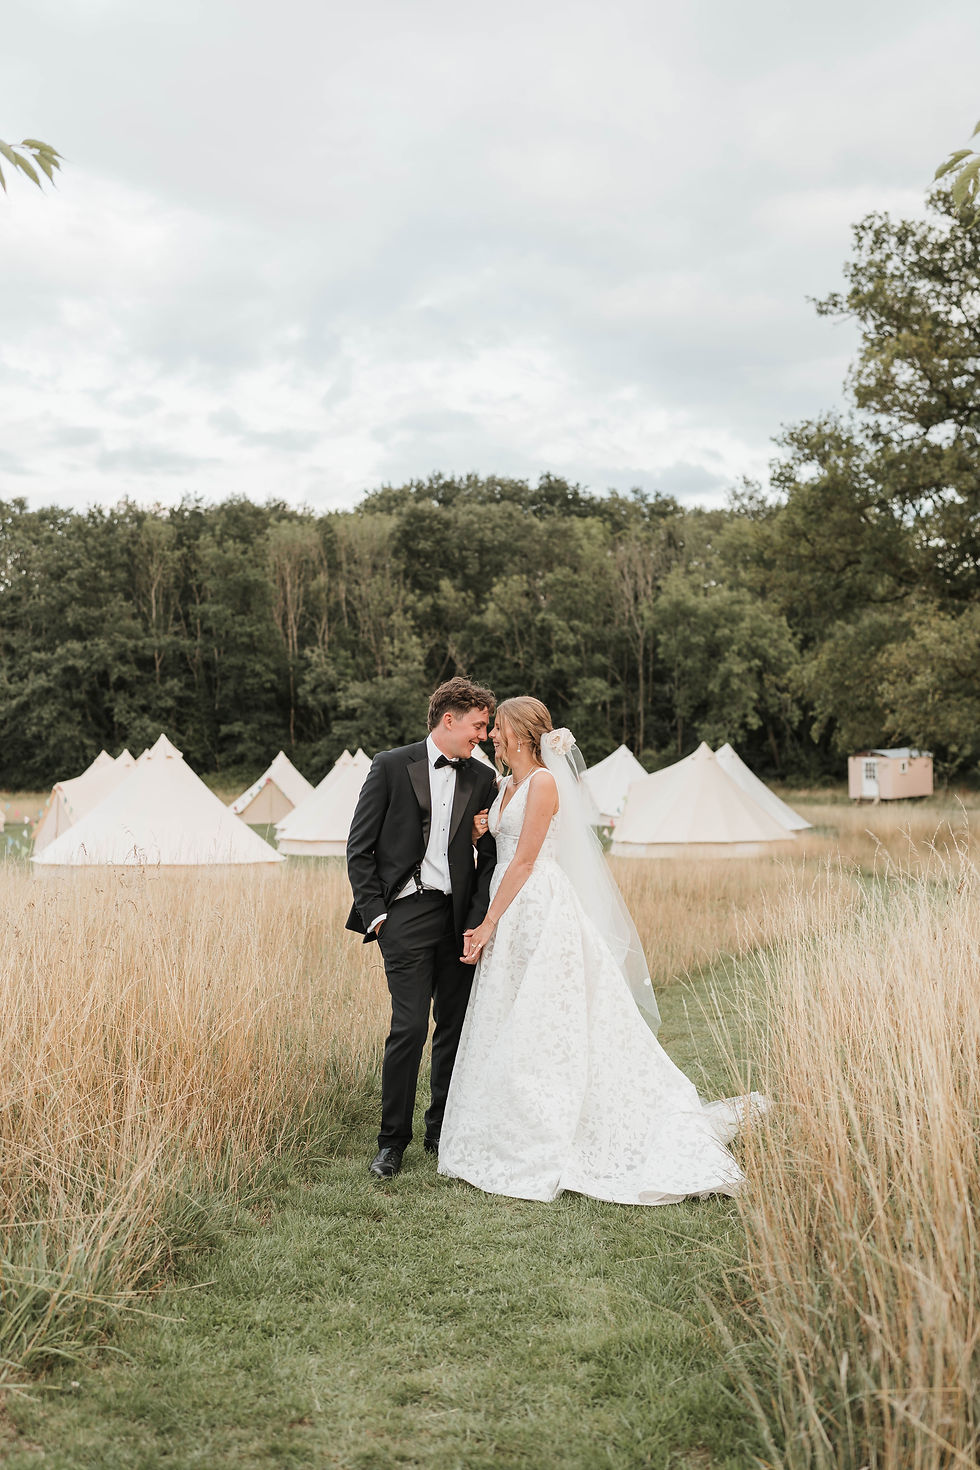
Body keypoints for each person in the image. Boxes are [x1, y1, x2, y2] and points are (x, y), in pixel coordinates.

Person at [438, 696, 764, 1206]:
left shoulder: (544, 783)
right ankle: (511, 1120)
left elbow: (524, 863)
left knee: (549, 1015)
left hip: (536, 904)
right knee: (511, 1013)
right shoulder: (506, 785)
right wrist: (484, 829)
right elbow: (501, 844)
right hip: (509, 907)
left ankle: (558, 1122)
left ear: (522, 734)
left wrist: (486, 924)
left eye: (498, 728)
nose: (492, 736)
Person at [346, 677, 499, 1179]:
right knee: (409, 1027)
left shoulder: (482, 777)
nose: (483, 735)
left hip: (458, 920)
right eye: (478, 725)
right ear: (448, 718)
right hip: (404, 916)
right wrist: (378, 915)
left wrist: (477, 923)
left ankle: (440, 1133)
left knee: (453, 1027)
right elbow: (359, 848)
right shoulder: (390, 765)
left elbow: (489, 858)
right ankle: (392, 1142)